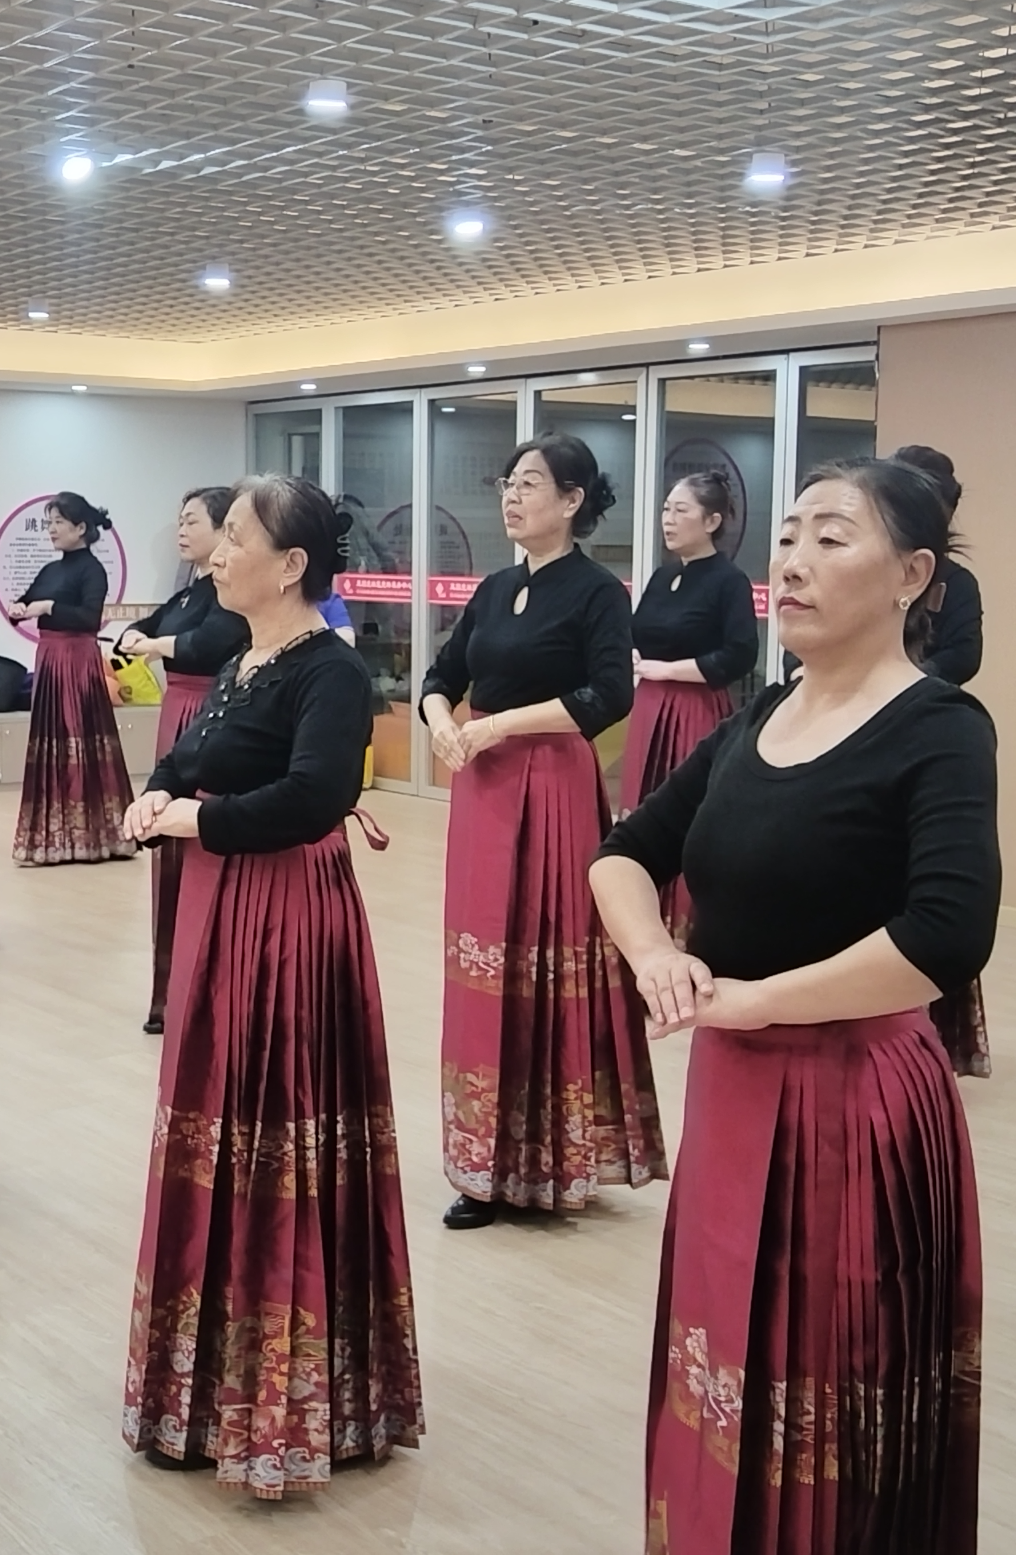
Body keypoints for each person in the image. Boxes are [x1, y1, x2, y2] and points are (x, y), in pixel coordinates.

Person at [593, 458, 995, 1555]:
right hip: (733, 1097)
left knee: (828, 1419)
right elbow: (624, 850)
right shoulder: (759, 716)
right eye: (788, 536)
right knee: (723, 1390)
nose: (796, 561)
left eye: (833, 536)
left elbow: (945, 933)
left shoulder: (939, 727)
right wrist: (657, 953)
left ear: (912, 576)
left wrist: (757, 999)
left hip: (850, 1109)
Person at [121, 474, 422, 1495]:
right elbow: (194, 755)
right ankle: (209, 1377)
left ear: (291, 564)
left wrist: (196, 818)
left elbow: (311, 795)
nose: (215, 553)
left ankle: (288, 1387)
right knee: (215, 1122)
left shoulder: (330, 670)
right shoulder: (244, 658)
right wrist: (156, 792)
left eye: (236, 537)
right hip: (221, 904)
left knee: (273, 1127)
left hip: (284, 915)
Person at [420, 432, 663, 1228]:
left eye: (530, 483)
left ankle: (549, 1155)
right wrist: (440, 721)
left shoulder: (597, 592)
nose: (512, 496)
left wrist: (498, 726)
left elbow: (608, 695)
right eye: (508, 482)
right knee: (481, 960)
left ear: (572, 501)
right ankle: (481, 1160)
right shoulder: (495, 588)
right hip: (484, 788)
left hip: (552, 782)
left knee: (544, 959)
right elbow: (442, 675)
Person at [117, 486, 248, 1032]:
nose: (182, 529)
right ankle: (169, 997)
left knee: (197, 842)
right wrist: (140, 634)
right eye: (180, 520)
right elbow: (157, 623)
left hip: (205, 707)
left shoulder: (230, 594)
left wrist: (149, 646)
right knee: (166, 846)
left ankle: (202, 992)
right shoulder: (192, 589)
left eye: (193, 521)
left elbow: (207, 644)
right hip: (178, 708)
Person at [621, 470, 759, 934]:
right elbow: (638, 633)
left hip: (694, 707)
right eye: (666, 509)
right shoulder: (663, 576)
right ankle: (641, 917)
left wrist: (669, 670)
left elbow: (740, 653)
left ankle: (686, 924)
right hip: (649, 705)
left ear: (712, 521)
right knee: (641, 808)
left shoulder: (729, 580)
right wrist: (636, 656)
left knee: (686, 810)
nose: (669, 519)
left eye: (681, 510)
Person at [890, 443, 991, 1077]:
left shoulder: (958, 582)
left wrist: (897, 684)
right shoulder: (870, 565)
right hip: (855, 714)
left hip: (921, 722)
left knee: (922, 876)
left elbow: (964, 656)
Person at [9, 491, 137, 866]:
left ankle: (94, 837)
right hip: (50, 659)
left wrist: (48, 607)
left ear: (80, 528)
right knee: (52, 743)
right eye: (49, 523)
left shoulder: (92, 570)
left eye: (58, 523)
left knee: (79, 739)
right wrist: (19, 608)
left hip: (78, 661)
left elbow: (88, 619)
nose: (51, 529)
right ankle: (54, 839)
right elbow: (23, 605)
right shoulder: (51, 570)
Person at [889, 445, 984, 686]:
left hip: (919, 697)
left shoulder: (957, 582)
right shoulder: (859, 567)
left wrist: (905, 682)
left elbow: (964, 655)